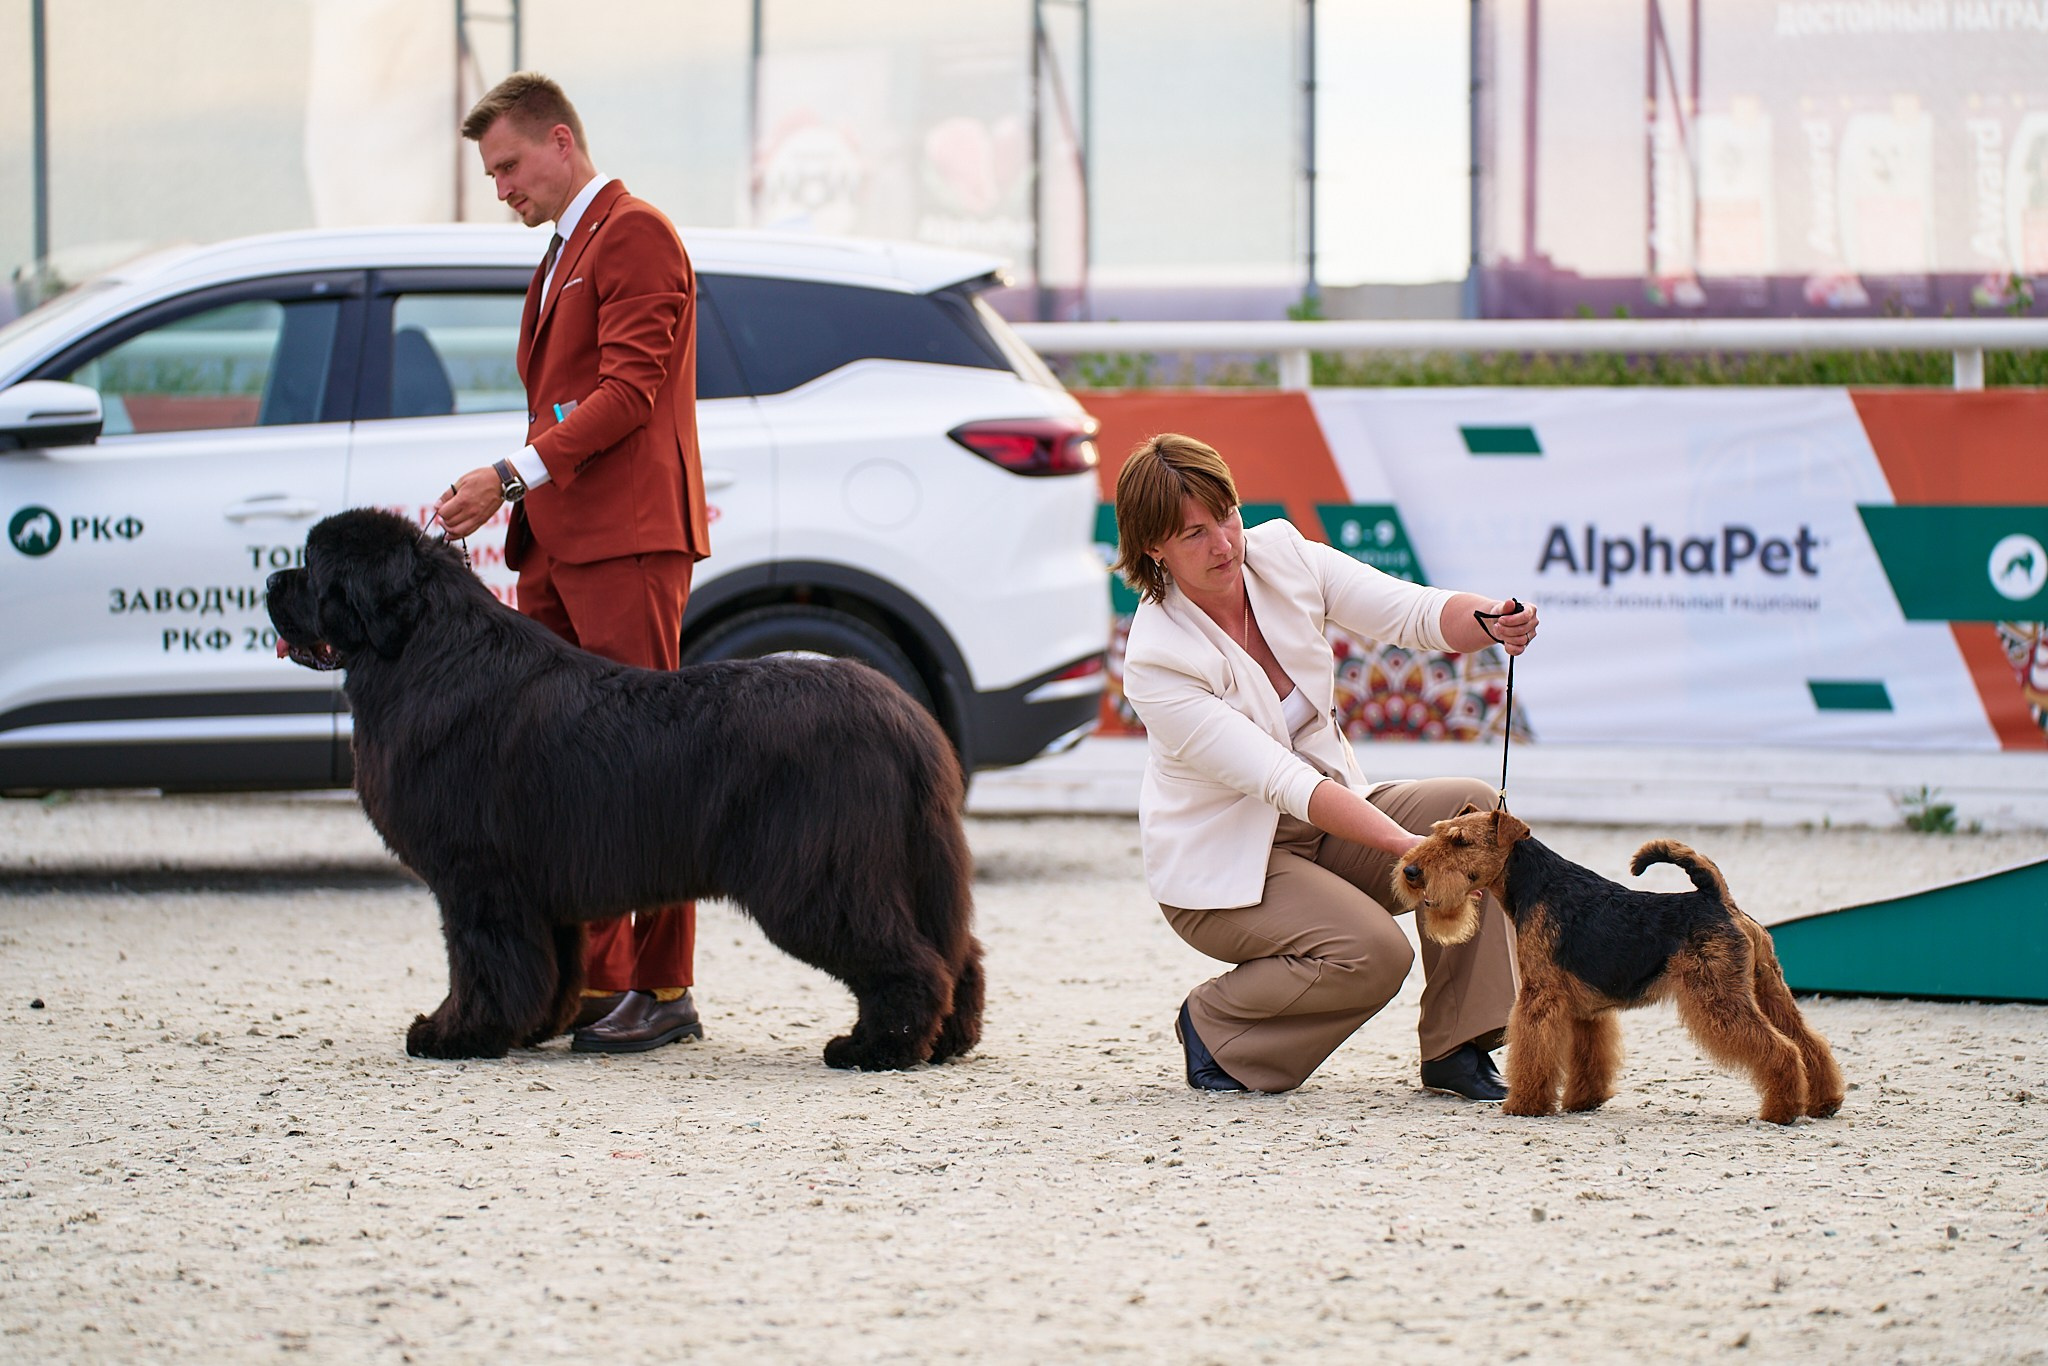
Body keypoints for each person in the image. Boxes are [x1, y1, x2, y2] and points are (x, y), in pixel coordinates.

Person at [1113, 433, 1539, 1099]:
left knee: (1474, 816)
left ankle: (1459, 1046)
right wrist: (1410, 849)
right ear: (1152, 548)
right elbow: (1286, 782)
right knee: (1375, 953)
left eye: (1226, 516)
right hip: (1227, 868)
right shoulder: (1156, 658)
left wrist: (1487, 619)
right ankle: (1216, 1023)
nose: (1224, 544)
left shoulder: (1280, 553)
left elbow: (1410, 611)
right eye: (1194, 534)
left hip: (1324, 824)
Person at [437, 72, 710, 1054]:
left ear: (561, 141)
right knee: (562, 766)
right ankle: (594, 977)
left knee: (650, 762)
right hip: (557, 543)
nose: (501, 187)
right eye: (490, 174)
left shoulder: (635, 233)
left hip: (626, 537)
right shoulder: (563, 250)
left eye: (509, 165)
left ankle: (664, 985)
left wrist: (509, 477)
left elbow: (630, 391)